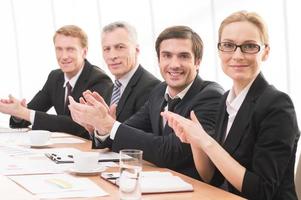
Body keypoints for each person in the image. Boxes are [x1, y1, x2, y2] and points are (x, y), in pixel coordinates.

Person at [162, 11, 300, 199]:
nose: (237, 55)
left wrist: (205, 141)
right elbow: (213, 178)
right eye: (228, 45)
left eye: (249, 46)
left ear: (266, 52)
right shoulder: (226, 100)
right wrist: (196, 142)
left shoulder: (278, 105)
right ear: (219, 51)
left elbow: (262, 191)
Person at [68, 25, 224, 179]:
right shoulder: (159, 91)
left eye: (183, 56)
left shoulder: (210, 96)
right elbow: (123, 133)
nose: (175, 64)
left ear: (197, 61)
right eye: (167, 56)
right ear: (158, 60)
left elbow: (171, 152)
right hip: (160, 182)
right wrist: (101, 127)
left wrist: (109, 124)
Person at [0, 25, 113, 139]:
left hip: (90, 150)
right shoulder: (55, 77)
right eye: (59, 49)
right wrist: (18, 114)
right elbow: (31, 112)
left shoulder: (99, 80)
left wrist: (23, 113)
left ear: (84, 52)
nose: (63, 56)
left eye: (70, 49)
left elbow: (79, 125)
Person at [89, 21, 160, 147]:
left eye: (120, 47)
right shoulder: (110, 88)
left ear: (137, 50)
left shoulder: (151, 87)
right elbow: (107, 138)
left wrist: (105, 126)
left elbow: (138, 139)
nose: (112, 56)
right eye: (107, 49)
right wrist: (94, 128)